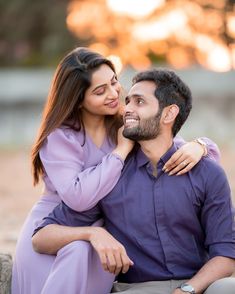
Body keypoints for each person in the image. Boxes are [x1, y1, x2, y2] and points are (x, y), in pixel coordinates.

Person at [12, 46, 219, 294]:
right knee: (77, 252)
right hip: (55, 230)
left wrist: (202, 146)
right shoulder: (60, 137)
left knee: (89, 254)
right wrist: (120, 152)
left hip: (104, 231)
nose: (113, 94)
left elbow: (172, 146)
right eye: (100, 91)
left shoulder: (125, 121)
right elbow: (78, 198)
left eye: (113, 82)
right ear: (78, 99)